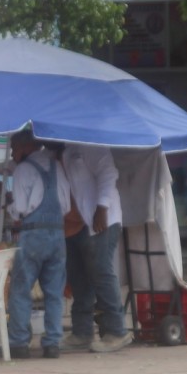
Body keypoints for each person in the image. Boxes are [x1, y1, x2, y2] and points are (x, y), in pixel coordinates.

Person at [59, 142, 133, 353]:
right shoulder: (63, 151)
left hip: (102, 219)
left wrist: (102, 207)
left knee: (101, 271)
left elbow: (108, 174)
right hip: (76, 224)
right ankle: (82, 332)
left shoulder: (90, 145)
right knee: (78, 277)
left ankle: (117, 330)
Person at [5, 130, 71, 359]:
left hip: (33, 235)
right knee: (54, 292)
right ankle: (53, 343)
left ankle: (19, 343)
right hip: (57, 235)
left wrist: (8, 209)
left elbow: (20, 208)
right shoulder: (57, 167)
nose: (13, 154)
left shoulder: (23, 170)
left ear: (24, 147)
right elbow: (66, 206)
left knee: (21, 290)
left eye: (14, 148)